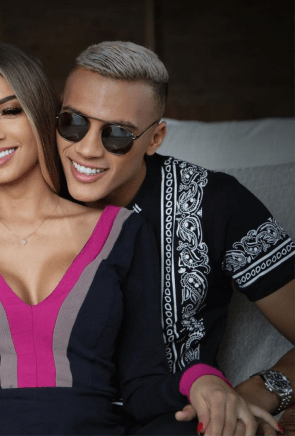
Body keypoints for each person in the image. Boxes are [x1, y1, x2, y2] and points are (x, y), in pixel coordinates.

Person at [0, 43, 279, 436]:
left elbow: (142, 380)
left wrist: (200, 379)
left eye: (9, 110)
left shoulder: (123, 231)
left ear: (40, 114)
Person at [55, 41, 295, 435]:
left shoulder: (216, 204)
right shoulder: (30, 192)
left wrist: (254, 394)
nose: (87, 148)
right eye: (73, 123)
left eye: (118, 134)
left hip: (175, 422)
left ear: (155, 138)